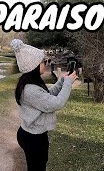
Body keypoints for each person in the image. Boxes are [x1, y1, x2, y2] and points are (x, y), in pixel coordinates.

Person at [11, 39, 77, 171]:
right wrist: (69, 83)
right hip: (33, 138)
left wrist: (62, 81)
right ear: (34, 65)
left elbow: (47, 95)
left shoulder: (31, 82)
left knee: (37, 166)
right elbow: (56, 103)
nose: (46, 64)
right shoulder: (30, 89)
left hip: (32, 134)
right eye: (43, 62)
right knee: (37, 167)